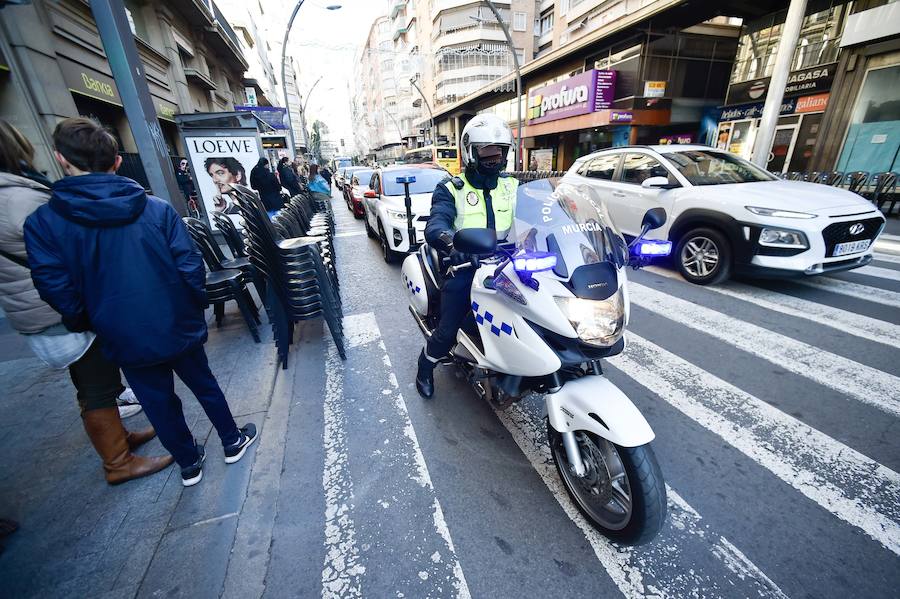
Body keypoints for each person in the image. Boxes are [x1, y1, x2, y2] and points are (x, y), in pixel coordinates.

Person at [25, 117, 258, 487]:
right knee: (204, 383)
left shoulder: (44, 223)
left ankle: (188, 463)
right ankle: (232, 441)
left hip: (118, 331)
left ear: (60, 159)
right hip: (174, 319)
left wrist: (89, 320)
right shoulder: (156, 209)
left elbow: (55, 287)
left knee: (156, 401)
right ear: (117, 161)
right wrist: (191, 306)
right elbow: (189, 266)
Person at [0, 119, 171, 484]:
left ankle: (119, 440)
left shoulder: (16, 192)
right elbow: (61, 259)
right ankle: (118, 462)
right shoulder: (18, 197)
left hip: (41, 308)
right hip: (58, 309)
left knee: (93, 382)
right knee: (97, 385)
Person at [415, 114, 518, 398]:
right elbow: (437, 224)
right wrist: (452, 244)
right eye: (486, 151)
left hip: (509, 264)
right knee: (447, 329)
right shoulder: (451, 189)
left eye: (499, 151)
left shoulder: (512, 186)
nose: (493, 158)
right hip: (466, 266)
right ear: (471, 152)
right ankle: (426, 364)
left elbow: (543, 212)